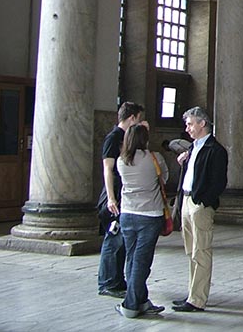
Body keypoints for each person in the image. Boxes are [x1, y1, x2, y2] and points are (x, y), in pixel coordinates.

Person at [171, 107, 228, 313]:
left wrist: (203, 201)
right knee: (191, 251)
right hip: (186, 200)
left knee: (201, 251)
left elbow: (219, 182)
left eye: (190, 124)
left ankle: (197, 300)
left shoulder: (216, 150)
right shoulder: (194, 148)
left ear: (202, 124)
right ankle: (192, 293)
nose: (187, 128)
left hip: (199, 204)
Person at [113, 124, 168, 318]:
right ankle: (130, 305)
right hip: (150, 214)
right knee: (142, 261)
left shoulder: (121, 161)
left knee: (132, 258)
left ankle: (142, 301)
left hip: (127, 213)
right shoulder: (154, 158)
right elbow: (165, 178)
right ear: (145, 139)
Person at [98, 101, 144, 299]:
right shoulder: (113, 138)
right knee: (113, 239)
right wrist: (111, 198)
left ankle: (118, 280)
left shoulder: (127, 137)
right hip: (114, 195)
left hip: (124, 195)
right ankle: (107, 282)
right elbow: (108, 169)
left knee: (122, 240)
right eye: (139, 119)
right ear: (132, 118)